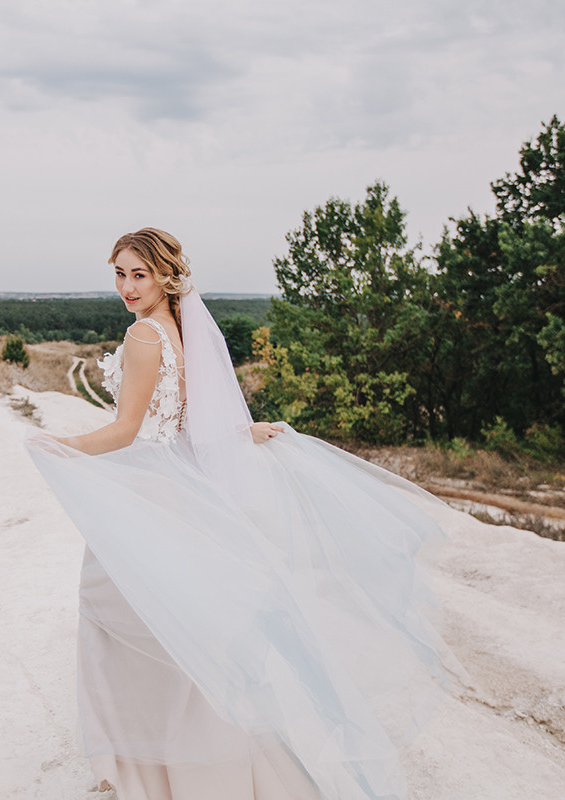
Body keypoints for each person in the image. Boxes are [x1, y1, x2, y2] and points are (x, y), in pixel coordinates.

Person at [24, 228, 459, 800]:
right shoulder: (179, 330)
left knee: (121, 616)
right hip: (177, 489)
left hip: (154, 490)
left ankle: (146, 768)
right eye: (120, 273)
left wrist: (59, 446)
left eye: (139, 274)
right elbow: (189, 417)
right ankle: (188, 763)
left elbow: (129, 429)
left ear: (164, 276)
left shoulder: (143, 336)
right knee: (179, 628)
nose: (127, 287)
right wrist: (242, 429)